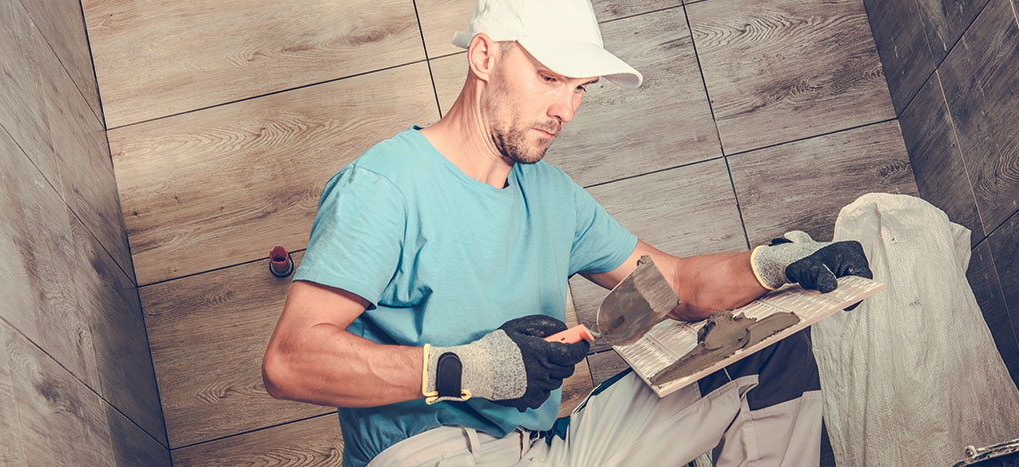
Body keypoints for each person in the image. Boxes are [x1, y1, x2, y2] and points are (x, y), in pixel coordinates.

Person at [260, 0, 872, 465]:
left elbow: (675, 285)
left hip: (542, 446)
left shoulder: (551, 195)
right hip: (428, 453)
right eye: (551, 78)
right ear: (484, 57)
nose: (567, 110)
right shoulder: (385, 186)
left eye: (580, 89)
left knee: (769, 354)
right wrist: (469, 368)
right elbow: (290, 362)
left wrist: (772, 267)